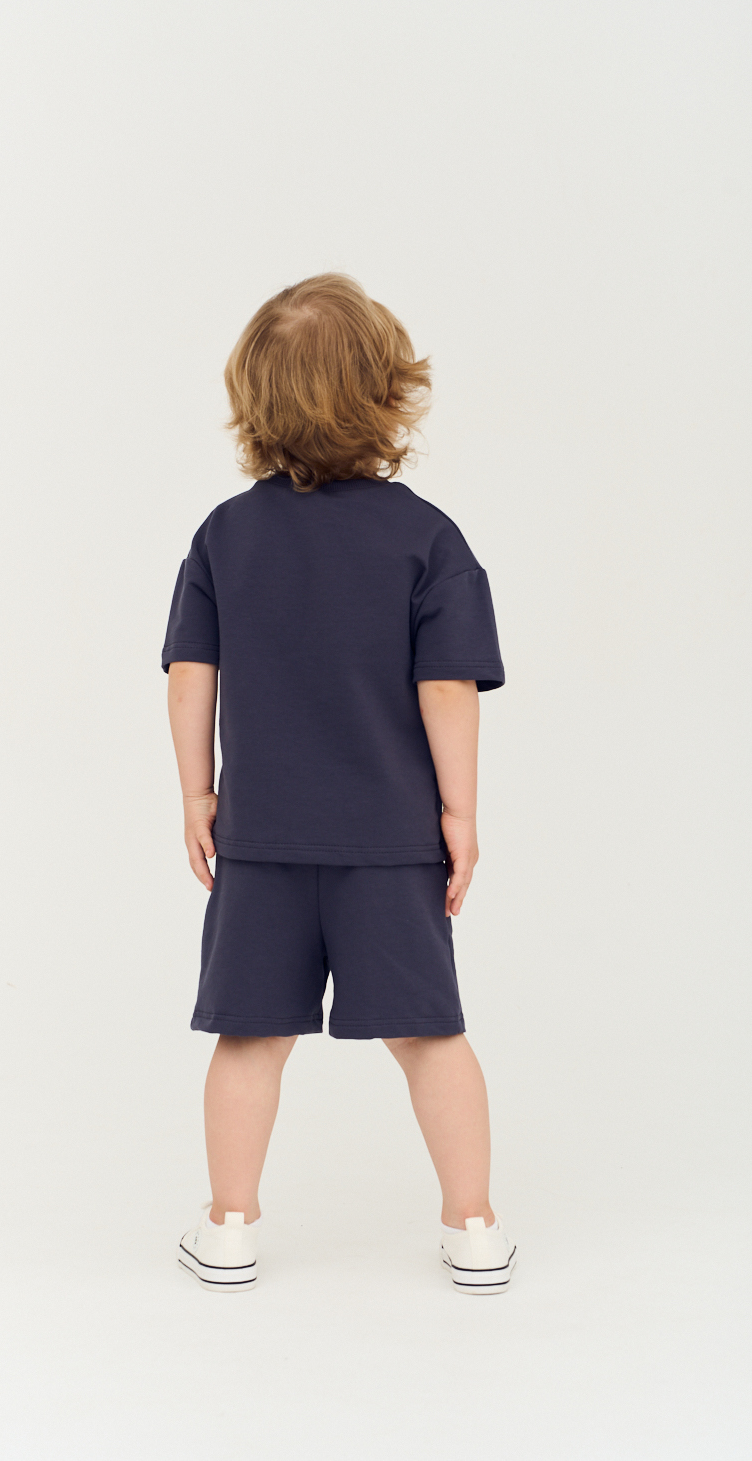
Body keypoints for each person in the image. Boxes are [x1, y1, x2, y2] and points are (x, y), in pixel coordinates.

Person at [163, 273, 514, 1295]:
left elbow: (190, 675)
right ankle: (473, 1225)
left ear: (253, 399)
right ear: (389, 394)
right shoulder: (428, 538)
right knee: (431, 1036)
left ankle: (229, 1225)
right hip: (391, 844)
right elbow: (446, 688)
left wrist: (197, 796)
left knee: (248, 1039)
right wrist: (459, 813)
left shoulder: (225, 535)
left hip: (260, 840)